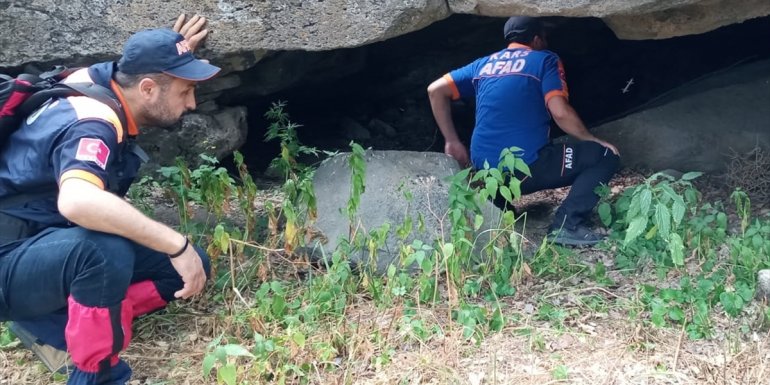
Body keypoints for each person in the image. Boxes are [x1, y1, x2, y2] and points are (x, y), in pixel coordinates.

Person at [0, 15, 219, 384]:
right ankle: (96, 373)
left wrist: (172, 53)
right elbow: (78, 202)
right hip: (10, 259)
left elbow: (138, 68)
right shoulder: (93, 123)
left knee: (186, 267)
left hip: (41, 241)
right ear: (147, 88)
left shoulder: (96, 81)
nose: (192, 103)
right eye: (185, 91)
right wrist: (176, 243)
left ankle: (60, 323)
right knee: (102, 252)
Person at [427, 16, 621, 246]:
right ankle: (567, 225)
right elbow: (560, 112)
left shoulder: (483, 64)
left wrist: (452, 141)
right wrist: (592, 139)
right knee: (604, 155)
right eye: (545, 37)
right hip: (526, 169)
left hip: (485, 174)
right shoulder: (544, 59)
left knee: (505, 162)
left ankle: (499, 208)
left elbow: (435, 90)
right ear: (537, 39)